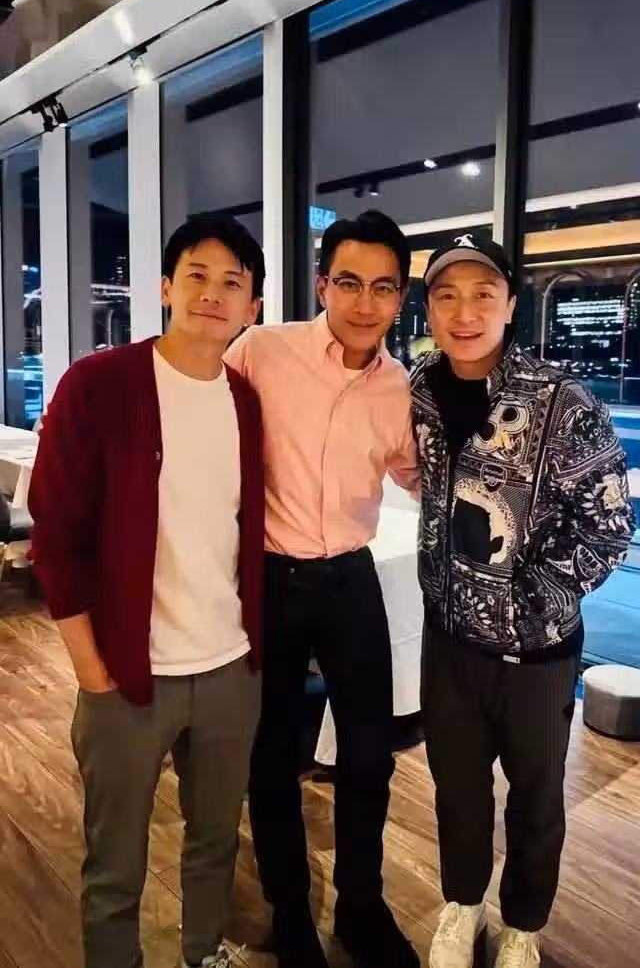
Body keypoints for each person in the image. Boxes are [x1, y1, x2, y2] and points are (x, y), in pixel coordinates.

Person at [28, 213, 266, 968]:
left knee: (215, 837)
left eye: (232, 282)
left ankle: (204, 951)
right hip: (128, 675)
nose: (213, 293)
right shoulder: (99, 385)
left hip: (229, 667)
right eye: (197, 275)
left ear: (253, 307)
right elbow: (54, 535)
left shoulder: (244, 400)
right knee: (115, 857)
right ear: (166, 287)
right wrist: (90, 669)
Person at [411, 234, 636, 968]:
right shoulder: (418, 388)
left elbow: (608, 526)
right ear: (429, 309)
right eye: (447, 296)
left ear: (511, 304)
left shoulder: (562, 400)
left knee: (536, 798)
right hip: (448, 641)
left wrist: (529, 602)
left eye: (483, 295)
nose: (465, 312)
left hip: (536, 653)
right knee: (457, 791)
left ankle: (523, 925)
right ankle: (463, 905)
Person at [224, 210, 420, 968]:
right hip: (271, 578)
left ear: (399, 296)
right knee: (273, 753)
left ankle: (361, 907)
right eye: (349, 282)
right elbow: (203, 417)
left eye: (383, 287)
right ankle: (290, 913)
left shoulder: (399, 387)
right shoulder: (262, 350)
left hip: (350, 578)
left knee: (370, 752)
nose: (365, 303)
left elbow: (420, 475)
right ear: (321, 285)